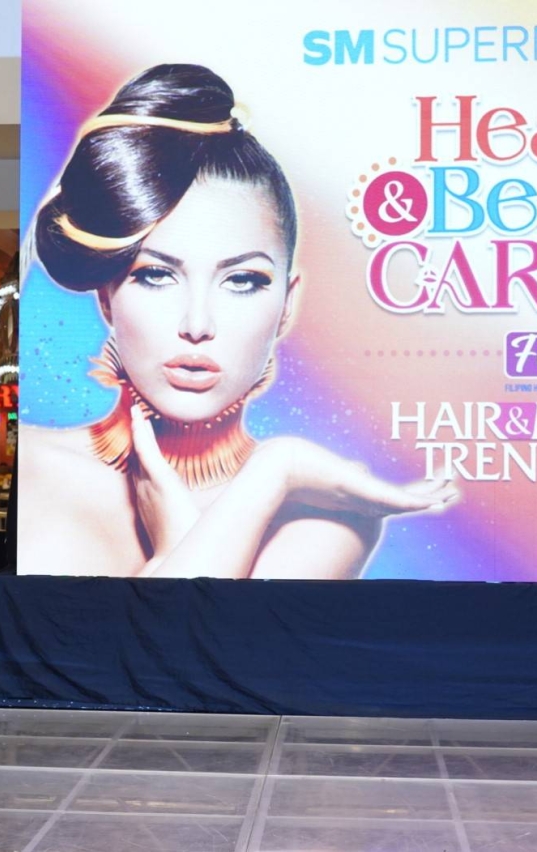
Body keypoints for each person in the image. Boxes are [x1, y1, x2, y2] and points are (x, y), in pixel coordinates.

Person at [24, 64, 458, 580]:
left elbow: (193, 653)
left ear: (287, 305)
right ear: (106, 297)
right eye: (157, 275)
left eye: (243, 281)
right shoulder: (30, 465)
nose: (197, 323)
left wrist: (273, 471)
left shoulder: (322, 520)